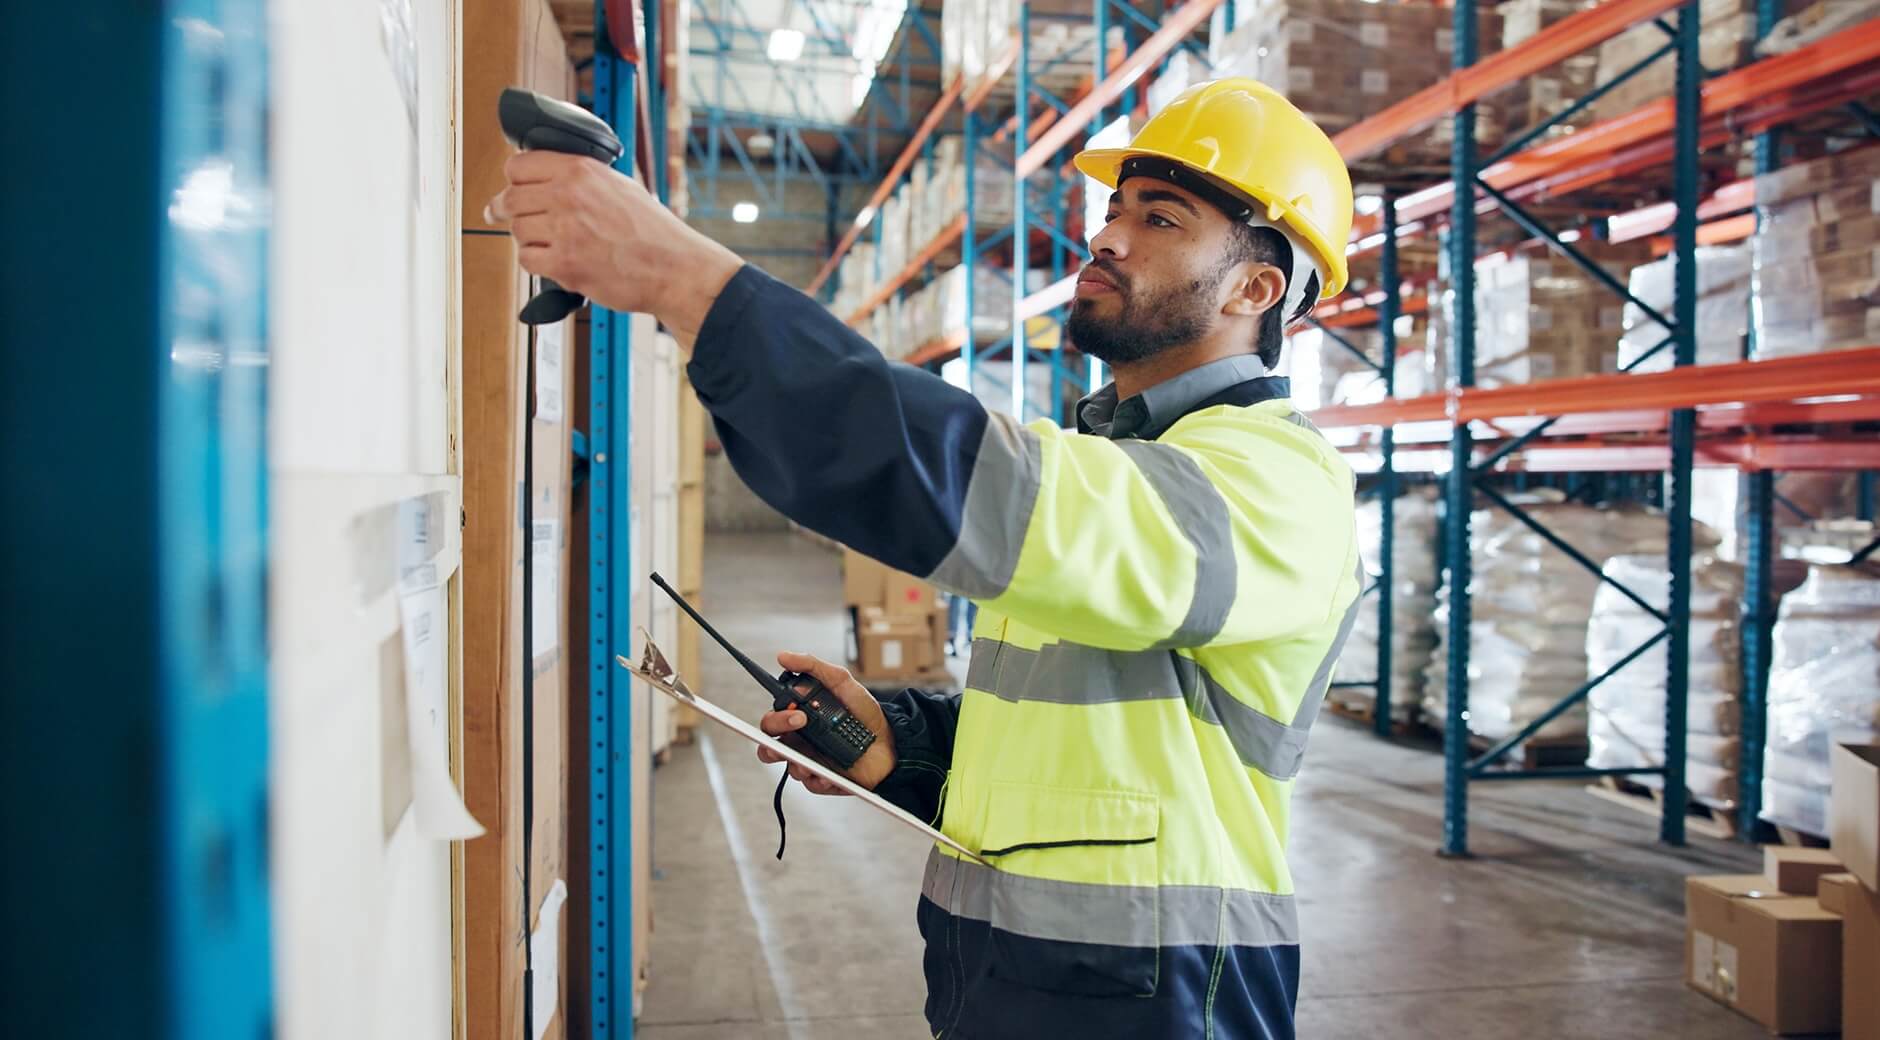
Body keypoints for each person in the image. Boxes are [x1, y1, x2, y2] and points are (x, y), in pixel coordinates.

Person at [488, 78, 1361, 1040]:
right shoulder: (1122, 461)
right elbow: (1097, 736)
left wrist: (684, 281)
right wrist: (901, 740)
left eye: (1160, 219)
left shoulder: (1276, 483)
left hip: (1168, 1001)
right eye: (1112, 210)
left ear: (1255, 287)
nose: (1107, 238)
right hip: (1017, 982)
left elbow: (965, 483)